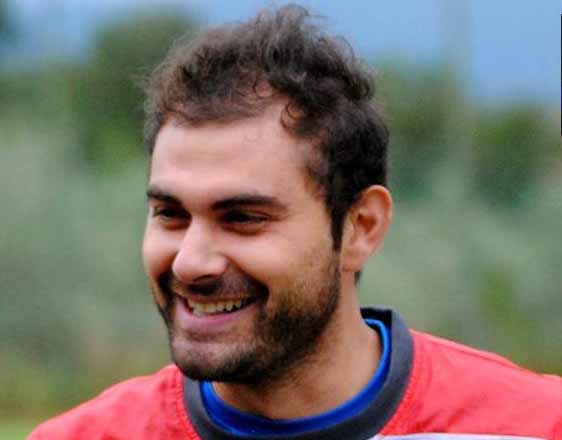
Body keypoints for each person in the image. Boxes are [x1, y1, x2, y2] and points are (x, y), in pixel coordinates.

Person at [29, 5, 561, 439]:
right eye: (170, 214)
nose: (191, 262)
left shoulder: (534, 426)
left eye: (243, 218)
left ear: (360, 227)